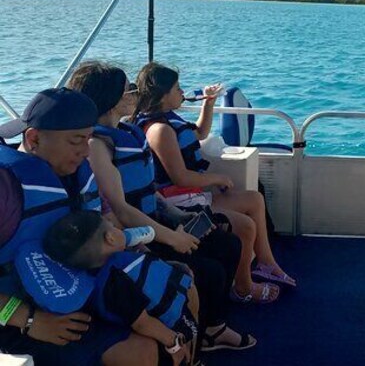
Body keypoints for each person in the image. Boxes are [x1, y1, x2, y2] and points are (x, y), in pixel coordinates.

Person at [67, 61, 256, 351]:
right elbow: (119, 208)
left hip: (154, 219)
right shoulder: (97, 145)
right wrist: (172, 237)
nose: (133, 93)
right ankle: (208, 332)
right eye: (126, 90)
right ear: (111, 100)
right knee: (209, 270)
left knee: (226, 243)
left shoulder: (127, 131)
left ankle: (212, 322)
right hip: (134, 234)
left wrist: (178, 215)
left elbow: (147, 189)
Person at [0, 88, 158, 366]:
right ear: (34, 138)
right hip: (18, 316)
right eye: (76, 141)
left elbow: (102, 225)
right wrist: (29, 320)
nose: (86, 151)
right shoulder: (6, 190)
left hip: (79, 292)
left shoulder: (73, 175)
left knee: (176, 292)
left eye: (88, 139)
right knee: (140, 353)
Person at [133, 62, 294, 305]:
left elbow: (198, 132)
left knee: (254, 199)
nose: (181, 92)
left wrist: (208, 102)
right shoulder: (158, 130)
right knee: (245, 226)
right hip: (177, 205)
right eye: (177, 88)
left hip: (193, 196)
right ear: (163, 94)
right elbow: (180, 178)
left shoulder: (169, 122)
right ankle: (243, 287)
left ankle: (266, 264)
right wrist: (218, 178)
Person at [44, 210, 200, 366]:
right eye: (112, 226)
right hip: (166, 326)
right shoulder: (114, 286)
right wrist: (174, 343)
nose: (118, 229)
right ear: (110, 238)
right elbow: (142, 323)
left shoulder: (114, 261)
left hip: (169, 304)